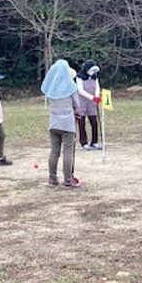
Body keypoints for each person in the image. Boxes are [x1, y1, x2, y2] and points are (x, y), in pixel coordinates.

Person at [41, 60, 81, 188]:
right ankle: (68, 180)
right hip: (67, 124)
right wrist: (77, 112)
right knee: (68, 151)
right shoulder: (71, 87)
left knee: (54, 152)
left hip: (53, 123)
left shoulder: (51, 88)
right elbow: (78, 105)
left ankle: (52, 178)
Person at [76, 59, 102, 150]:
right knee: (81, 123)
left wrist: (97, 96)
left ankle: (94, 142)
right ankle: (84, 143)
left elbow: (97, 87)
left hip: (92, 103)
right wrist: (92, 97)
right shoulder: (79, 77)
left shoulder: (95, 77)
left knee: (94, 122)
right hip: (81, 102)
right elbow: (80, 91)